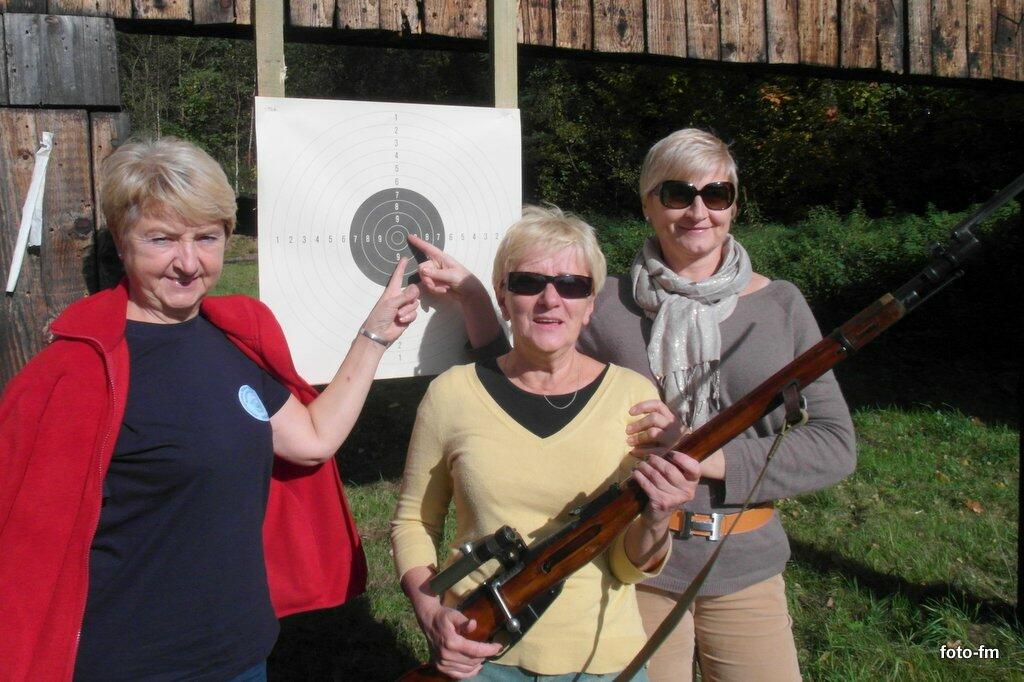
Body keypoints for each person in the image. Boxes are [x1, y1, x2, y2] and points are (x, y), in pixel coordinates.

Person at [408, 129, 856, 681]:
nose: (698, 211)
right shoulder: (605, 303)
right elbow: (526, 373)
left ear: (734, 206)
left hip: (745, 560)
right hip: (631, 569)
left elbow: (835, 444)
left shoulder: (781, 306)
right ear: (648, 204)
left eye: (716, 194)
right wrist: (481, 295)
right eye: (677, 193)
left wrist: (697, 457)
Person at [0, 137, 420, 681]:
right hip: (133, 666)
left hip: (241, 655)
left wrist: (374, 336)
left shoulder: (233, 338)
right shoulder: (75, 373)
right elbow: (24, 548)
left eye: (206, 237)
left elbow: (311, 440)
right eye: (161, 239)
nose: (188, 262)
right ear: (122, 243)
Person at [391, 206, 703, 680]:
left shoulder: (633, 399)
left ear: (591, 303)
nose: (550, 300)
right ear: (502, 295)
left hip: (601, 663)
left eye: (572, 285)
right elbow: (415, 520)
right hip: (477, 655)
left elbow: (626, 567)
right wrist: (430, 611)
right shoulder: (451, 394)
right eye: (528, 283)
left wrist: (658, 519)